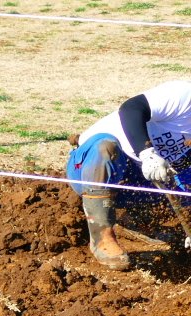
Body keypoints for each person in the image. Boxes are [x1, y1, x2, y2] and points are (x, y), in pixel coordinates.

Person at [67, 80, 191, 271]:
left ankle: (136, 223)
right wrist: (147, 153)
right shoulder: (184, 94)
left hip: (143, 178)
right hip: (92, 167)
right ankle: (102, 238)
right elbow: (131, 108)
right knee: (106, 147)